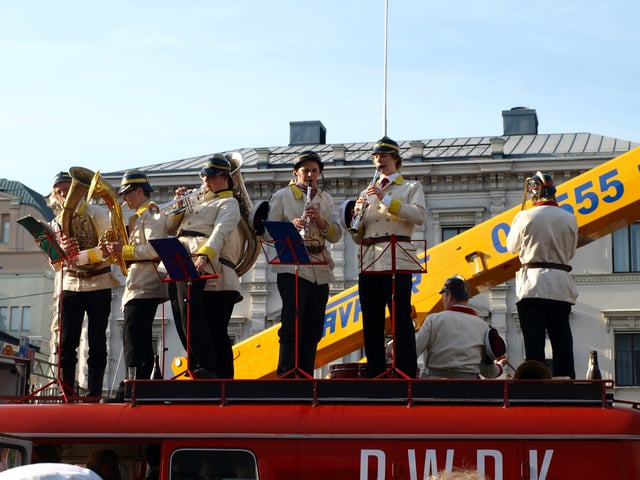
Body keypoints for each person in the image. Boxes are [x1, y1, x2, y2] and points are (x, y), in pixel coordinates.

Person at [349, 136, 426, 378]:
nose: (378, 161)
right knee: (371, 321)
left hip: (396, 260)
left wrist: (385, 198)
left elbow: (419, 216)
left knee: (400, 318)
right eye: (375, 157)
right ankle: (375, 372)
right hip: (370, 260)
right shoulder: (367, 193)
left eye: (383, 156)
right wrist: (356, 216)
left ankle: (405, 371)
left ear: (395, 159)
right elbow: (357, 236)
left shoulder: (410, 188)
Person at [265, 150, 342, 377]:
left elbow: (336, 235)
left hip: (320, 266)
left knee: (314, 327)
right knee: (291, 323)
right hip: (293, 266)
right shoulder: (282, 196)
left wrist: (320, 220)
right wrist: (292, 226)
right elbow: (267, 232)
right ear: (296, 173)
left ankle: (306, 374)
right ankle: (287, 373)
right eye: (305, 170)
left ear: (319, 174)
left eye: (314, 171)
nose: (310, 174)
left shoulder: (326, 199)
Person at [167, 155, 244, 379]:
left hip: (209, 267)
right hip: (182, 259)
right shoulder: (197, 201)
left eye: (210, 177)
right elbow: (172, 229)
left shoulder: (229, 202)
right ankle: (198, 365)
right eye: (203, 176)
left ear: (224, 178)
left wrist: (204, 255)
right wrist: (180, 206)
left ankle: (216, 374)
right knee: (183, 315)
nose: (205, 181)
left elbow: (220, 232)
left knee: (214, 329)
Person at [50, 171, 120, 397]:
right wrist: (62, 251)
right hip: (70, 284)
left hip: (99, 282)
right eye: (59, 191)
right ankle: (66, 392)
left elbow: (107, 249)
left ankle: (94, 392)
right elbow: (54, 263)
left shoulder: (97, 213)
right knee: (67, 342)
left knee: (97, 341)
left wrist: (79, 255)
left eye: (66, 190)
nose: (63, 195)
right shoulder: (56, 222)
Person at [506, 171, 578, 378]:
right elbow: (571, 253)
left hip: (533, 286)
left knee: (534, 344)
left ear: (535, 194)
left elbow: (511, 247)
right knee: (562, 340)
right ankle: (567, 383)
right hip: (560, 286)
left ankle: (535, 385)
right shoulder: (569, 218)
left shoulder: (524, 216)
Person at [102, 171, 168, 382]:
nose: (124, 199)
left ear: (140, 191)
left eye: (127, 194)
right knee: (135, 336)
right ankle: (140, 382)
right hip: (138, 283)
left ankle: (134, 383)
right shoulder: (139, 216)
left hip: (146, 283)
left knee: (134, 336)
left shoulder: (152, 213)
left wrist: (124, 250)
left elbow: (155, 250)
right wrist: (115, 252)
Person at [415, 275, 508, 379]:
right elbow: (488, 372)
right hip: (468, 388)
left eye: (443, 296)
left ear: (449, 296)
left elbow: (413, 352)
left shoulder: (432, 320)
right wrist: (500, 366)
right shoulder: (484, 326)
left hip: (435, 385)